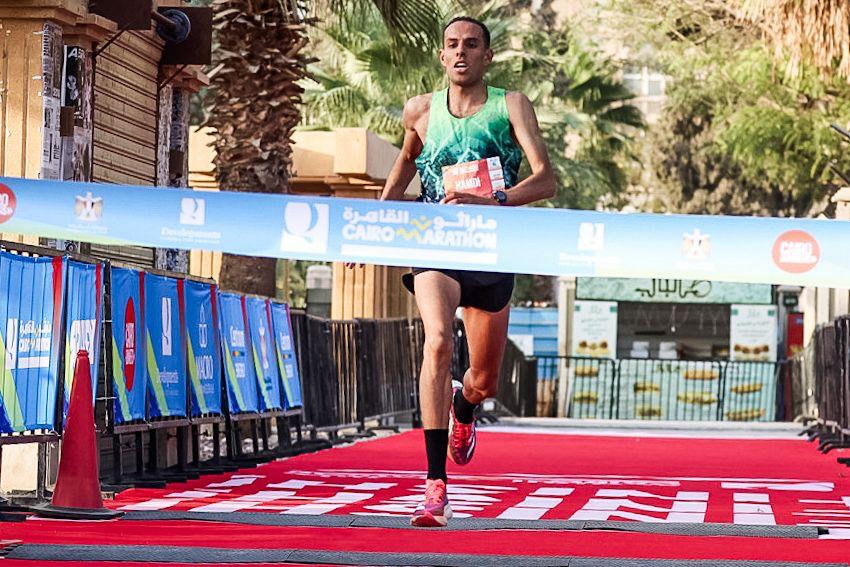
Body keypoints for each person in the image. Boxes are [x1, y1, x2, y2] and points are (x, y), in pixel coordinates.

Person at [349, 16, 555, 527]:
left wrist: (493, 199)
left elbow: (545, 180)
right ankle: (434, 485)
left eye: (471, 44)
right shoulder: (420, 110)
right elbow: (406, 163)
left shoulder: (511, 105)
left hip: (491, 251)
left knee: (484, 380)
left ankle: (465, 408)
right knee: (438, 341)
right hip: (435, 243)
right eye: (452, 45)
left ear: (488, 55)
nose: (461, 52)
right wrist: (376, 225)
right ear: (442, 56)